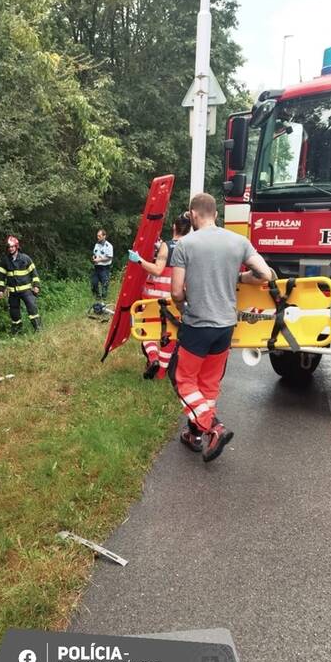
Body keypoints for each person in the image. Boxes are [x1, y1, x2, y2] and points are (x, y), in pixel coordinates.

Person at [169, 192, 275, 462]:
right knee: (208, 383)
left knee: (181, 378)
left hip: (197, 325)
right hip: (226, 326)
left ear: (192, 215)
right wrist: (238, 277)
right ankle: (194, 435)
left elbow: (176, 293)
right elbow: (266, 274)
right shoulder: (239, 241)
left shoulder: (185, 245)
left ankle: (213, 427)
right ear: (216, 214)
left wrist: (185, 305)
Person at [129, 214, 192, 380]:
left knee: (148, 330)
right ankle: (162, 373)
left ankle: (153, 359)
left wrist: (139, 260)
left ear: (174, 227)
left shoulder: (168, 245)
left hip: (156, 297)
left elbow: (157, 269)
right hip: (177, 297)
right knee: (170, 334)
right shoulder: (192, 247)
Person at [0, 235, 42, 333]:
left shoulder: (25, 258)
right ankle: (17, 331)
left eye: (12, 247)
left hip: (26, 291)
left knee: (32, 308)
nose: (10, 249)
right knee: (14, 312)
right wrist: (0, 290)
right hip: (12, 292)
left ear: (16, 247)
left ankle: (38, 328)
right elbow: (1, 277)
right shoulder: (5, 260)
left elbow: (34, 273)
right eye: (9, 247)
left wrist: (36, 286)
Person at [91, 229, 113, 301]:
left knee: (104, 284)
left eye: (99, 236)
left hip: (105, 268)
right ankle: (97, 298)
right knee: (94, 283)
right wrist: (94, 257)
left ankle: (104, 300)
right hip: (97, 267)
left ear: (104, 236)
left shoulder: (109, 246)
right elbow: (94, 253)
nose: (98, 237)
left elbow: (109, 258)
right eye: (97, 236)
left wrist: (100, 260)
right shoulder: (96, 244)